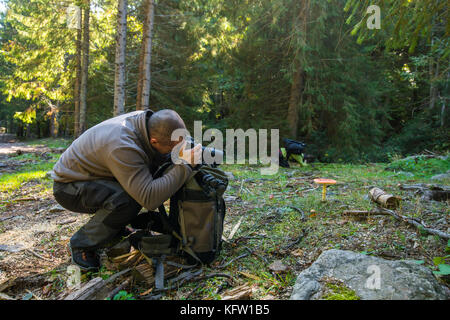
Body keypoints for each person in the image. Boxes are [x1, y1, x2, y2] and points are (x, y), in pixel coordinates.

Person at [50, 109, 202, 271]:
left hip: (100, 176)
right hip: (70, 186)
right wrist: (184, 166)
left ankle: (114, 228)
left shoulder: (149, 124)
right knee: (128, 201)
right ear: (154, 141)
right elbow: (149, 199)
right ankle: (82, 244)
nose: (178, 149)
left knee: (133, 192)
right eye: (173, 147)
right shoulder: (123, 145)